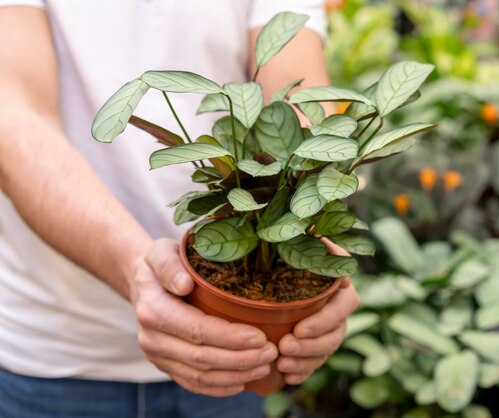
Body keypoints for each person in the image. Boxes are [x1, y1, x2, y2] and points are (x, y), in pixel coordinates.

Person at [0, 1, 360, 417]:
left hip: (236, 348)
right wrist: (139, 271)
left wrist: (310, 243)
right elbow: (12, 118)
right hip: (52, 355)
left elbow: (297, 104)